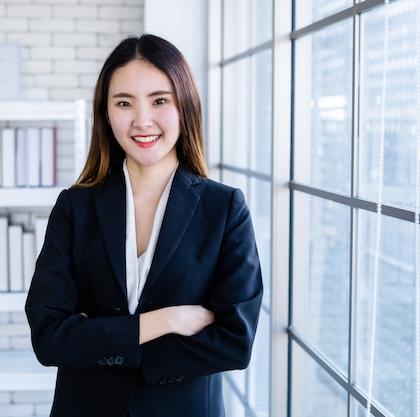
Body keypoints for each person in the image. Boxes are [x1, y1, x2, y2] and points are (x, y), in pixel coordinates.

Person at [25, 33, 263, 417]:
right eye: (124, 103)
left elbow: (234, 343)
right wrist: (168, 320)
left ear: (184, 106)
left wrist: (98, 338)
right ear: (105, 112)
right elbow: (49, 337)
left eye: (159, 100)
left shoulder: (224, 209)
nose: (142, 120)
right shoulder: (75, 206)